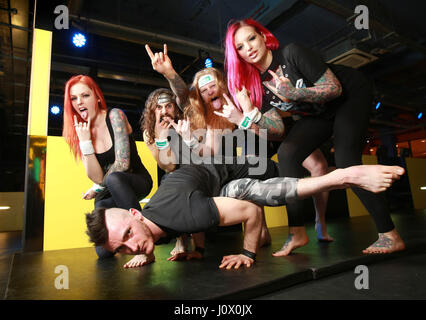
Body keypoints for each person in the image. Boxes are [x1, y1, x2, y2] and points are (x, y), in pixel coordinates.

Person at [224, 18, 406, 255]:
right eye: (240, 47)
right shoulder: (259, 85)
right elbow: (277, 130)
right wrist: (247, 117)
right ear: (237, 55)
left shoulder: (292, 53)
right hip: (319, 112)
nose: (248, 47)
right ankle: (297, 232)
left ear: (262, 37)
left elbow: (334, 88)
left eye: (251, 38)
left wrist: (294, 93)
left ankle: (389, 235)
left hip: (349, 96)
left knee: (345, 160)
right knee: (287, 153)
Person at [145, 44, 331, 246]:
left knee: (318, 167)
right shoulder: (211, 116)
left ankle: (320, 221)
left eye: (212, 86)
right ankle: (272, 229)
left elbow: (271, 125)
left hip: (280, 125)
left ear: (222, 85)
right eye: (204, 90)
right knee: (252, 168)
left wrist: (242, 115)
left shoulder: (238, 95)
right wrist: (170, 75)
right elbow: (184, 100)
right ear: (201, 96)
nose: (209, 91)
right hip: (258, 138)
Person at [85, 160, 404, 269]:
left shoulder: (184, 215)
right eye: (121, 249)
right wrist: (198, 250)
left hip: (254, 167)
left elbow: (249, 211)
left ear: (135, 214)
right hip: (215, 182)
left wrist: (247, 253)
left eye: (128, 235)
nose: (132, 247)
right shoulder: (155, 219)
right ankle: (330, 174)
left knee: (241, 196)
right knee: (228, 198)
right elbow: (189, 221)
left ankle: (342, 176)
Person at [63, 75, 153, 258]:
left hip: (137, 180)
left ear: (96, 96)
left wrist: (98, 187)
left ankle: (145, 243)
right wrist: (85, 142)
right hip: (111, 189)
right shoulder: (80, 130)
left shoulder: (115, 116)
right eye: (74, 98)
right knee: (102, 250)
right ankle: (124, 244)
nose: (80, 102)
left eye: (85, 95)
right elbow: (96, 176)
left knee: (113, 179)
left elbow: (123, 163)